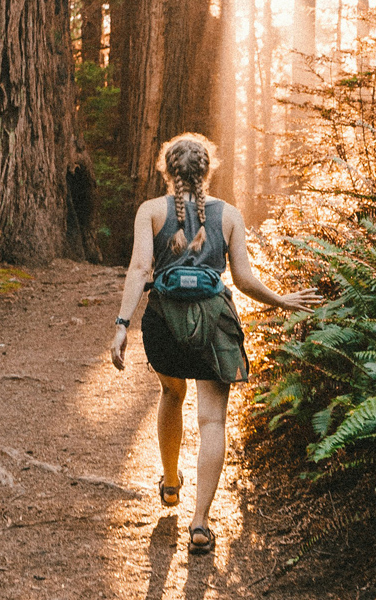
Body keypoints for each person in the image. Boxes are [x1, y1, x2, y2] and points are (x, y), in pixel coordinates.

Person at [111, 133, 321, 554]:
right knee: (213, 421)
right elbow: (242, 280)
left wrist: (121, 325)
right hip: (214, 324)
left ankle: (170, 483)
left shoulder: (151, 211)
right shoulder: (228, 215)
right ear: (207, 171)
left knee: (171, 393)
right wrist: (281, 299)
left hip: (163, 324)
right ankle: (200, 523)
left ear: (167, 170)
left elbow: (138, 269)